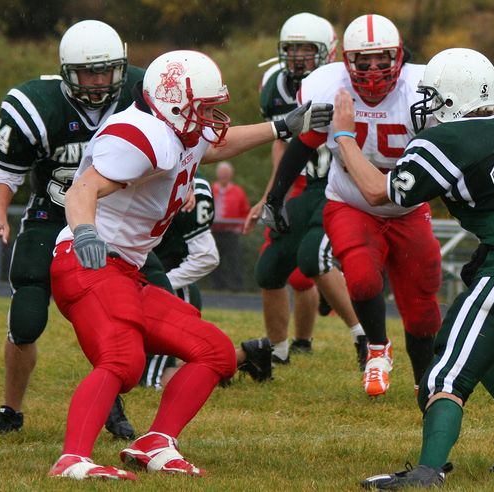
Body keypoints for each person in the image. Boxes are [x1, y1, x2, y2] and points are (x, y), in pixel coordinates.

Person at [47, 49, 332, 480]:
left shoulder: (176, 129)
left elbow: (218, 144)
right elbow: (82, 188)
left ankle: (155, 442)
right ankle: (72, 459)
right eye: (205, 108)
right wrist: (86, 231)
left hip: (126, 270)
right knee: (123, 360)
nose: (212, 118)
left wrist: (282, 125)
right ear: (176, 103)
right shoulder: (139, 133)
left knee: (215, 352)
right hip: (88, 260)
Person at [330, 47, 494, 488]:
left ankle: (427, 471)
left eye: (433, 97)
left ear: (451, 99)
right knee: (460, 332)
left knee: (445, 371)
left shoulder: (448, 141)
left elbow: (378, 192)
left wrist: (344, 136)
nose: (427, 107)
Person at [263, 14, 442, 395]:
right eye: (364, 60)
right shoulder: (330, 87)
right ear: (347, 61)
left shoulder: (423, 90)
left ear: (398, 57)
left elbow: (451, 160)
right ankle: (377, 348)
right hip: (350, 202)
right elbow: (305, 142)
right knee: (360, 276)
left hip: (408, 209)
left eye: (382, 59)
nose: (374, 69)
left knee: (422, 302)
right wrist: (276, 195)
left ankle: (425, 382)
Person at [0, 19, 143, 438]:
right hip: (49, 217)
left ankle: (111, 399)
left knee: (118, 315)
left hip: (113, 220)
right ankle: (11, 410)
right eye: (89, 71)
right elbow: (6, 173)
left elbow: (178, 144)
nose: (99, 80)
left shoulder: (141, 94)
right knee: (26, 317)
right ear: (67, 71)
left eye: (107, 69)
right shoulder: (37, 105)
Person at [245, 12, 367, 367]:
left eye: (306, 49)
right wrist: (271, 195)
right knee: (269, 269)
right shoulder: (273, 83)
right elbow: (280, 142)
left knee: (313, 258)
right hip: (304, 181)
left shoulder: (345, 81)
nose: (298, 56)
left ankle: (364, 337)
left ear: (327, 52)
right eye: (292, 49)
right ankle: (277, 351)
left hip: (338, 181)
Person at [143, 170, 272, 388]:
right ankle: (245, 355)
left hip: (172, 291)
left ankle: (221, 365)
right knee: (132, 364)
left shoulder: (194, 185)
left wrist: (160, 283)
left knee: (149, 379)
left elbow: (207, 257)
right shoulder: (144, 168)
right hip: (153, 284)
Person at [211, 161, 250, 291]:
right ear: (218, 175)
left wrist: (242, 227)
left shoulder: (238, 191)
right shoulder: (211, 189)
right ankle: (218, 286)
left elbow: (245, 210)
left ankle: (236, 286)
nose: (224, 176)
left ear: (231, 175)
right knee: (215, 260)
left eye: (226, 174)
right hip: (214, 231)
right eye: (222, 174)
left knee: (234, 260)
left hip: (231, 232)